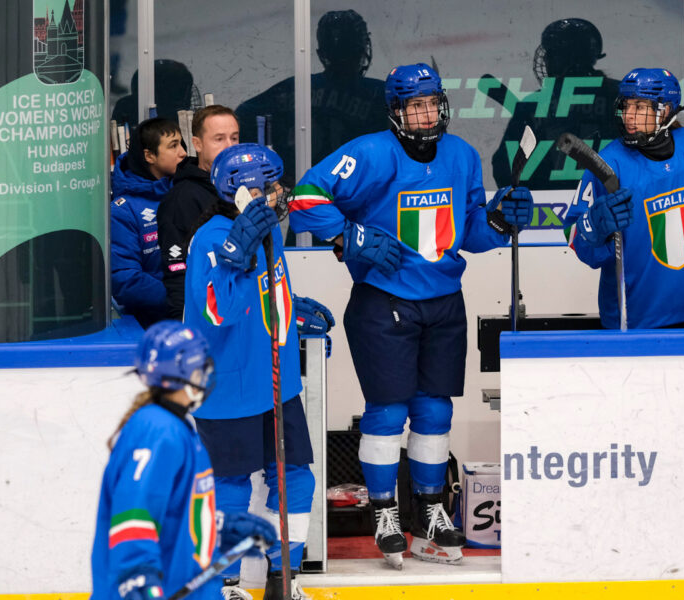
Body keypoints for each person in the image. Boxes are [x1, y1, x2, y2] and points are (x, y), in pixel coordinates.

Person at [287, 63, 533, 568]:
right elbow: (305, 198)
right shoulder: (370, 152)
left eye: (431, 103)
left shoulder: (462, 155)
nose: (425, 114)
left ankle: (432, 508)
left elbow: (469, 234)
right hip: (383, 301)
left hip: (444, 301)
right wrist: (348, 235)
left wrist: (500, 220)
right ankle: (383, 511)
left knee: (434, 409)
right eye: (413, 105)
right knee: (388, 411)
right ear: (397, 111)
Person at [185, 143, 334, 600]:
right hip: (227, 387)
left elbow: (266, 290)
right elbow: (218, 310)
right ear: (241, 193)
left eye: (275, 184)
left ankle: (280, 578)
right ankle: (219, 584)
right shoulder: (211, 239)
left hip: (277, 385)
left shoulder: (267, 231)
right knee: (227, 487)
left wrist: (291, 307)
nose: (277, 194)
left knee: (296, 478)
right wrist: (238, 252)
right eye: (267, 187)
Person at [91, 320, 277, 600]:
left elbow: (174, 513)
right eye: (200, 366)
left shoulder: (178, 426)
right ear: (182, 374)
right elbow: (134, 515)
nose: (207, 373)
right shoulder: (157, 431)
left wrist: (220, 528)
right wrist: (139, 580)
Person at [562, 67, 684, 329]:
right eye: (626, 106)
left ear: (666, 110)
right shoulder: (607, 163)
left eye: (640, 107)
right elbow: (576, 239)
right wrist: (594, 225)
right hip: (632, 320)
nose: (629, 116)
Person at [236, 10, 386, 180]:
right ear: (361, 50)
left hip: (301, 186)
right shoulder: (379, 94)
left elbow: (242, 116)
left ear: (322, 53)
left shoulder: (294, 87)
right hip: (355, 187)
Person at [490, 18, 620, 190]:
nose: (546, 61)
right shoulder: (620, 95)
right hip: (608, 203)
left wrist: (525, 200)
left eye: (551, 54)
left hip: (546, 210)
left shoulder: (533, 104)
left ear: (568, 58)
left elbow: (504, 166)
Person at [158, 105, 241, 319]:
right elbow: (177, 274)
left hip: (239, 311)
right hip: (206, 320)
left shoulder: (243, 190)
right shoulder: (181, 199)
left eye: (234, 138)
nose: (229, 146)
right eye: (219, 139)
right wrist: (186, 333)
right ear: (197, 144)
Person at [111, 117, 186, 328]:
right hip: (152, 329)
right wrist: (182, 297)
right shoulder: (123, 210)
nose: (182, 152)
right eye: (173, 146)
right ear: (149, 155)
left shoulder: (186, 193)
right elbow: (126, 281)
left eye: (181, 144)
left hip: (197, 320)